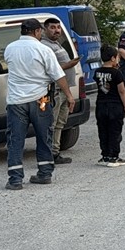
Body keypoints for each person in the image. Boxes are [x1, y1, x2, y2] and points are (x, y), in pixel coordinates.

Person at [3, 18, 74, 190]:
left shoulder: (10, 48)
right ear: (36, 31)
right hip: (41, 100)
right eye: (40, 31)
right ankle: (44, 173)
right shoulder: (43, 50)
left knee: (15, 140)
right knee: (44, 136)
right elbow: (58, 75)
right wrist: (69, 96)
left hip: (16, 102)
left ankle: (15, 179)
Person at [41, 17, 80, 165]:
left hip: (64, 90)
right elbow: (49, 70)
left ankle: (55, 152)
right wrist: (69, 65)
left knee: (60, 122)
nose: (57, 30)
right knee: (51, 122)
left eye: (58, 27)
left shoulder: (56, 43)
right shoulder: (45, 46)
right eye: (52, 27)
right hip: (55, 91)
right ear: (45, 29)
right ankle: (48, 154)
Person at [93, 45, 125, 167]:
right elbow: (122, 91)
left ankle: (105, 155)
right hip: (114, 105)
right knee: (115, 131)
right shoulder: (116, 73)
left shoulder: (97, 72)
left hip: (101, 104)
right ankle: (114, 156)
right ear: (113, 58)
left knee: (103, 130)